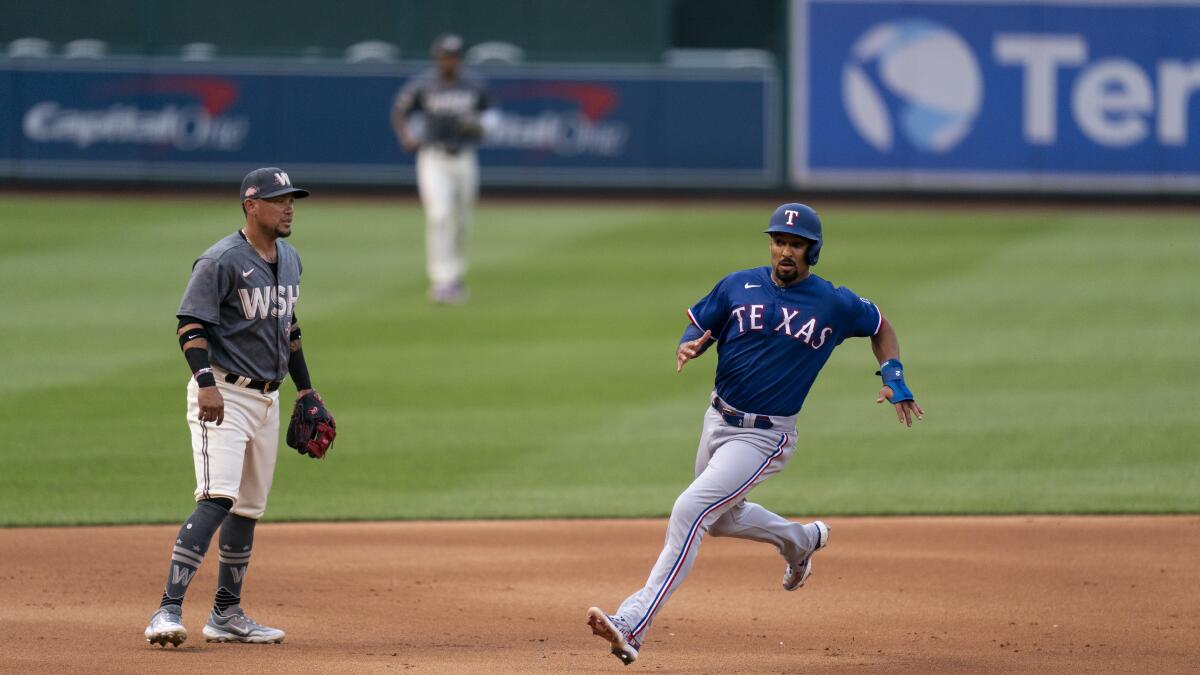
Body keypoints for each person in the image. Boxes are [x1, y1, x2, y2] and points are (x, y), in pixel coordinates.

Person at [586, 203, 924, 665]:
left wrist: (894, 375)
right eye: (779, 241)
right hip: (718, 419)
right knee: (722, 517)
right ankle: (801, 542)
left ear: (813, 250)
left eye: (796, 244)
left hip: (765, 437)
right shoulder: (737, 284)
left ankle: (632, 623)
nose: (786, 250)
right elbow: (702, 322)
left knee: (692, 509)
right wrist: (693, 340)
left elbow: (880, 324)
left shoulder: (832, 302)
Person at [144, 167, 334, 647]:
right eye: (279, 200)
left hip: (267, 399)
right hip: (222, 396)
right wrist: (205, 383)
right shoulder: (220, 261)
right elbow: (190, 326)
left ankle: (226, 614)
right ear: (251, 205)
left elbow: (288, 328)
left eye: (293, 199)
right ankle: (165, 611)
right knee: (217, 497)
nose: (289, 207)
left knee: (247, 508)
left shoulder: (289, 258)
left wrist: (306, 389)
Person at [391, 33, 496, 304]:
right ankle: (442, 279)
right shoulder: (425, 84)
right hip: (433, 157)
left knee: (460, 220)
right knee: (439, 215)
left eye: (451, 56)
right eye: (443, 56)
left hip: (464, 157)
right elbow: (400, 110)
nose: (447, 60)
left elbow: (492, 120)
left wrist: (478, 126)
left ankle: (455, 276)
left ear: (459, 58)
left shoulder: (474, 85)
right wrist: (406, 137)